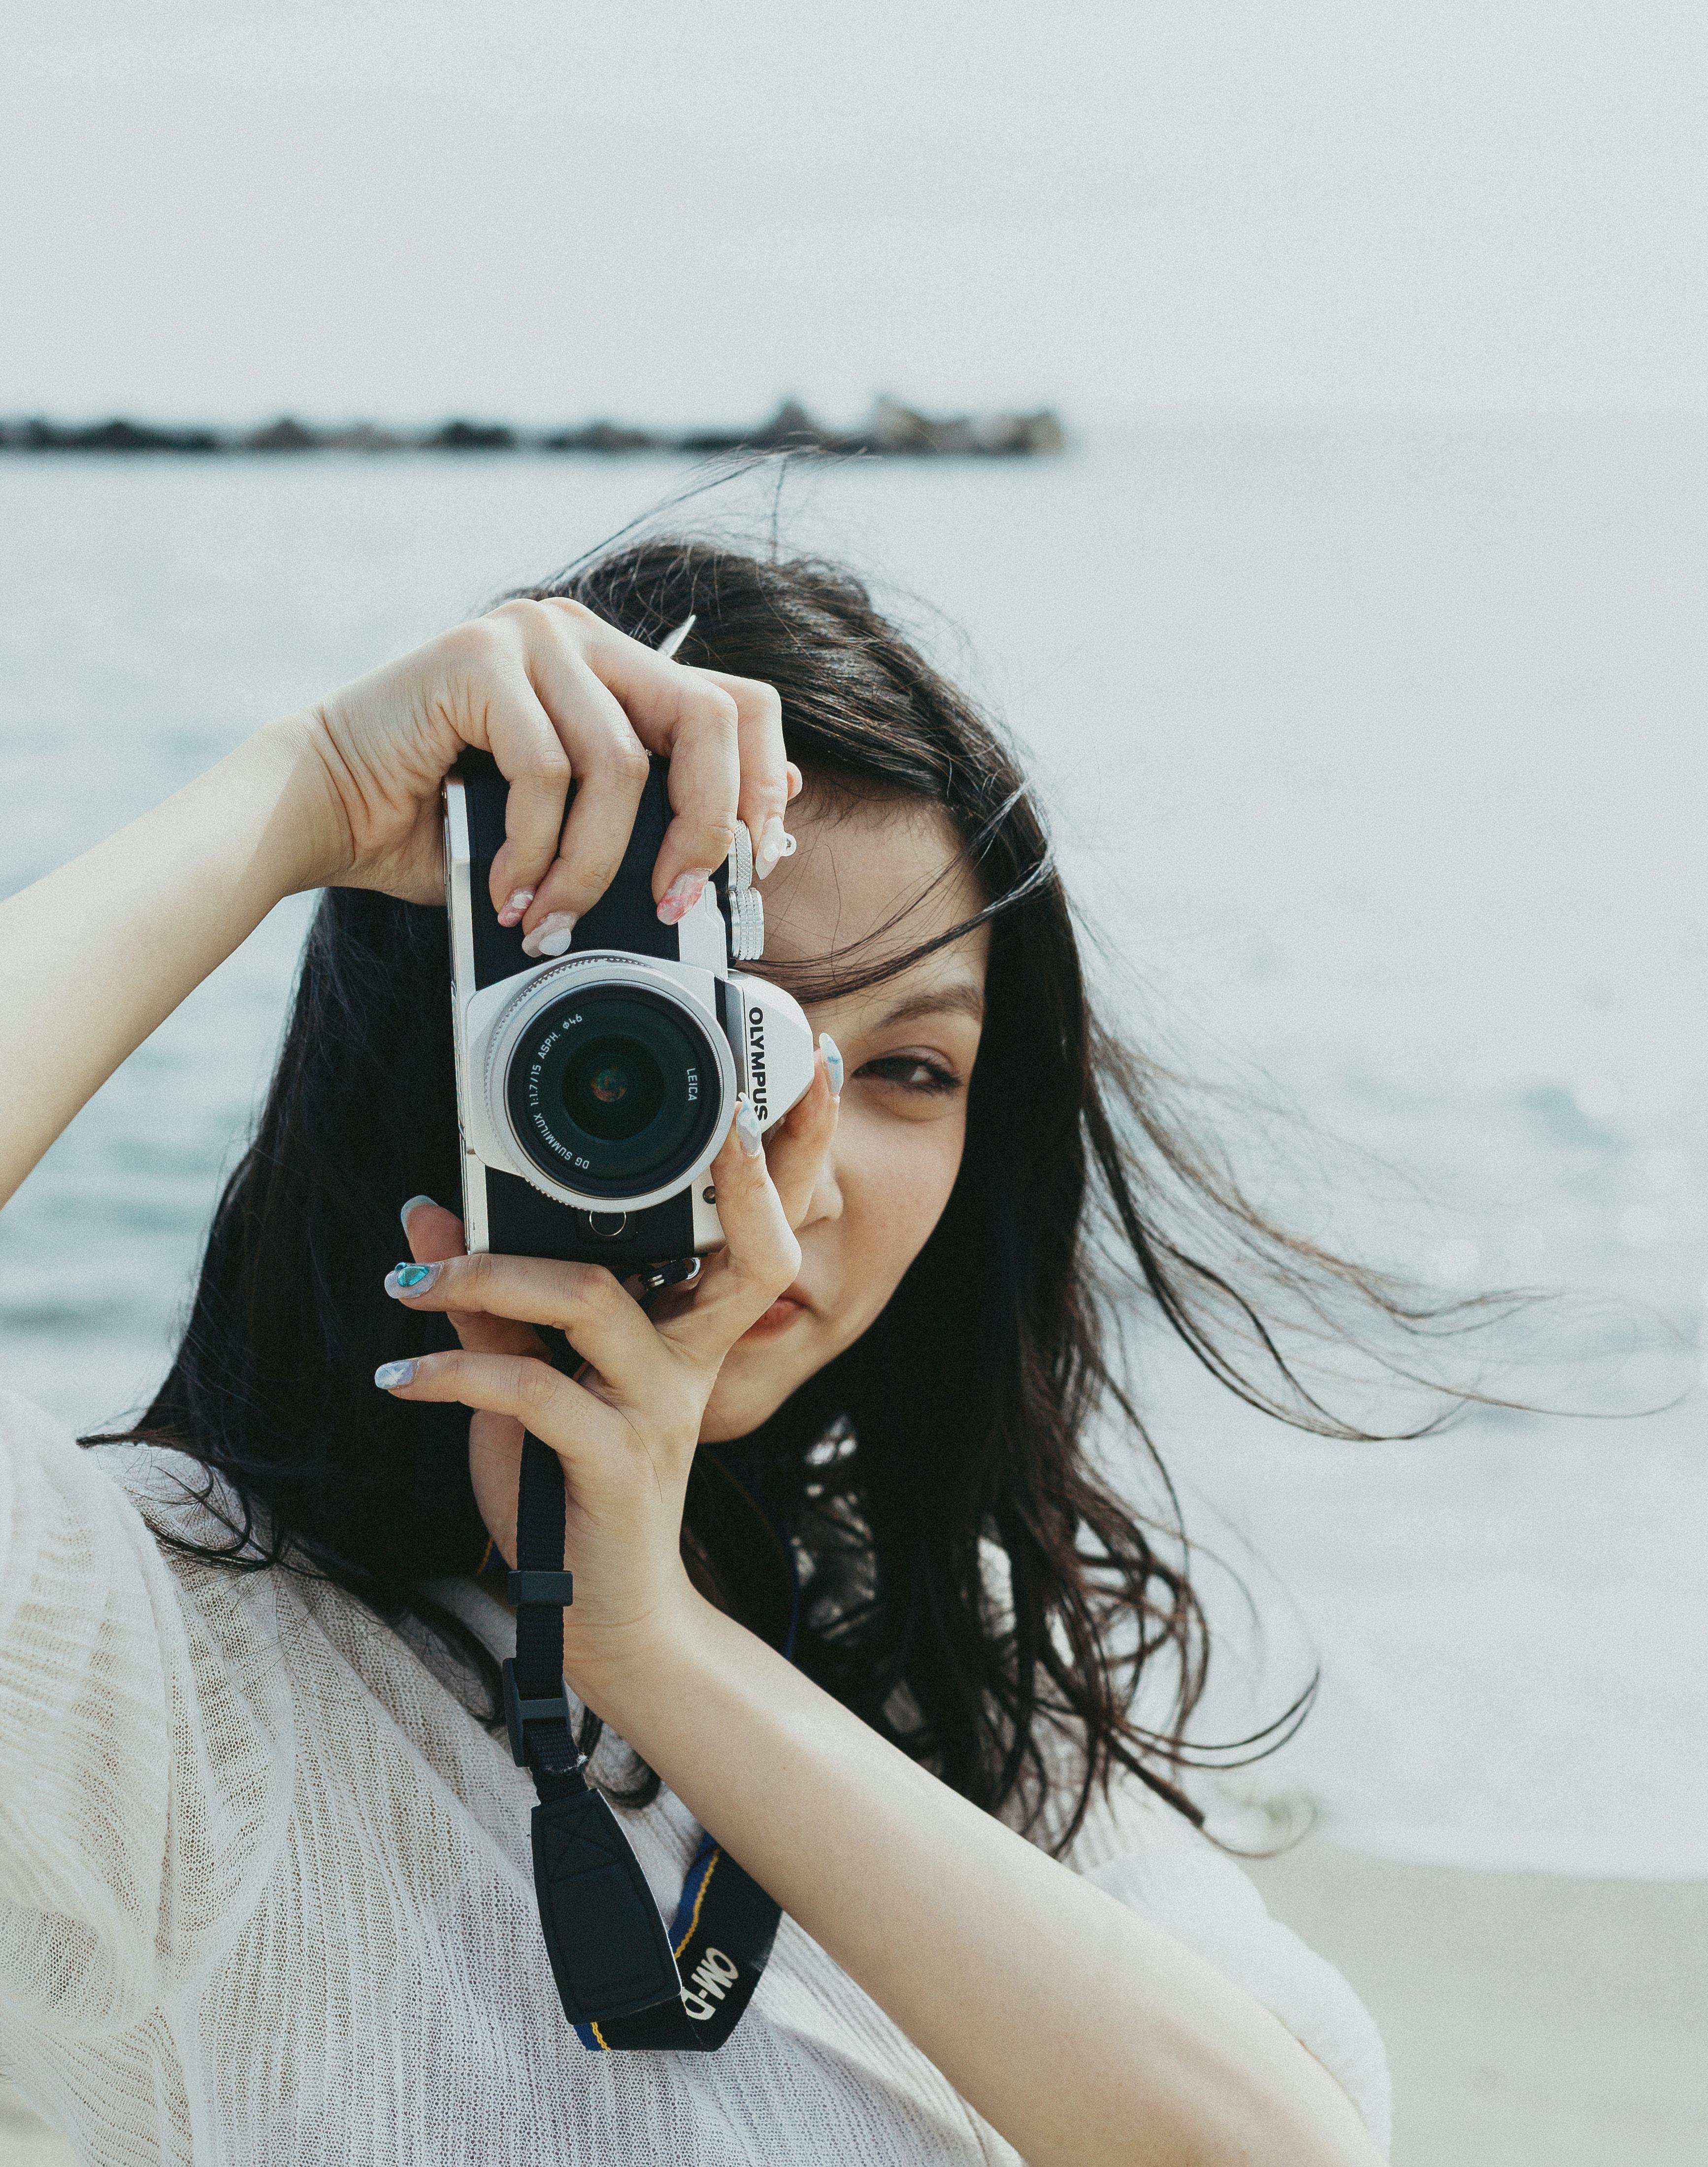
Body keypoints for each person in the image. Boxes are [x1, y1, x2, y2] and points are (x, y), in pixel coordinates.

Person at [0, 535, 1392, 2165]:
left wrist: (654, 1645)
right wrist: (304, 791)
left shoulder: (918, 1660)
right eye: (708, 1034)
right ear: (458, 1044)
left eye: (914, 1070)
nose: (795, 1169)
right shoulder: (163, 1662)